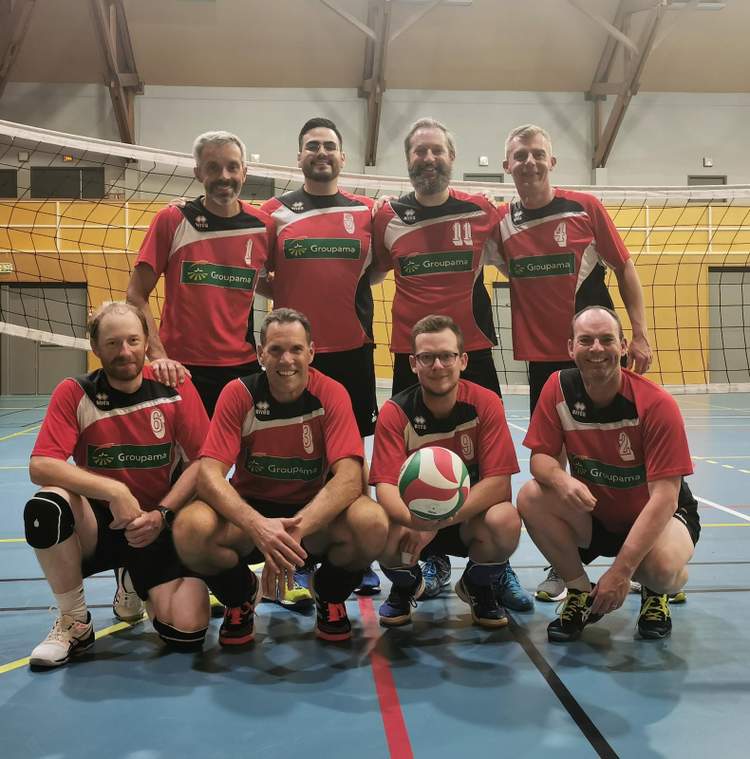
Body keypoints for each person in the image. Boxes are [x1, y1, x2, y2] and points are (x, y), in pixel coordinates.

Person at [499, 123, 692, 602]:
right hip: (544, 357)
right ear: (507, 166)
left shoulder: (584, 207)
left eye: (537, 154)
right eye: (520, 155)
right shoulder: (502, 223)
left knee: (628, 441)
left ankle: (654, 555)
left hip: (595, 351)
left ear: (552, 162)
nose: (529, 162)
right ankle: (565, 564)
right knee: (555, 466)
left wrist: (639, 333)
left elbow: (624, 266)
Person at [372, 118, 532, 610]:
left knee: (487, 461)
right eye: (419, 151)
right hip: (414, 356)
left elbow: (521, 256)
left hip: (472, 351)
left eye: (436, 150)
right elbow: (367, 270)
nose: (429, 159)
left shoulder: (481, 210)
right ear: (408, 160)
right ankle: (431, 559)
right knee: (415, 458)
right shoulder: (386, 216)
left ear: (451, 158)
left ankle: (494, 568)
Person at [172, 308, 388, 644]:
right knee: (190, 528)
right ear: (261, 354)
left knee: (372, 523)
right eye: (275, 350)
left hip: (313, 516)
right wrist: (259, 527)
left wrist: (294, 531)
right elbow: (209, 475)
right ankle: (240, 596)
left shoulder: (331, 393)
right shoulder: (239, 394)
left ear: (311, 352)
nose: (286, 360)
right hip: (251, 511)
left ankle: (329, 594)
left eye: (296, 349)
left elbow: (349, 478)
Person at [24, 302, 211, 668]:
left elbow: (203, 461)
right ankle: (75, 621)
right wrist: (115, 491)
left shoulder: (174, 385)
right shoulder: (76, 392)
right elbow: (40, 464)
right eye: (113, 343)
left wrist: (162, 514)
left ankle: (132, 578)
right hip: (100, 523)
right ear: (95, 347)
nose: (124, 351)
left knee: (187, 633)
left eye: (133, 341)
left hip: (155, 523)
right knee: (47, 506)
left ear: (146, 342)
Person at [517, 306, 699, 642]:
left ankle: (656, 592)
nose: (597, 349)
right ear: (570, 347)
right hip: (597, 513)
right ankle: (578, 591)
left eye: (606, 339)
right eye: (586, 340)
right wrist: (561, 479)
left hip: (657, 516)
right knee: (531, 496)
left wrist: (621, 571)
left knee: (659, 571)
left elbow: (665, 499)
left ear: (624, 346)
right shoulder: (558, 388)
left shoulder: (656, 404)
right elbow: (540, 459)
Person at [260, 117, 381, 598]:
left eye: (330, 145)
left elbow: (379, 267)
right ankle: (302, 554)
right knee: (301, 453)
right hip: (294, 357)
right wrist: (285, 293)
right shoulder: (273, 212)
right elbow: (255, 271)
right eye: (312, 146)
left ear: (343, 157)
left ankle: (358, 555)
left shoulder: (368, 211)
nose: (321, 152)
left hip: (352, 349)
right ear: (299, 157)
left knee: (353, 456)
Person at [370, 315, 522, 629]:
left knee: (505, 520)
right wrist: (417, 521)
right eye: (427, 357)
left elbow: (498, 484)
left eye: (446, 356)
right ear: (413, 363)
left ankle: (477, 585)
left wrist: (437, 521)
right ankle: (407, 584)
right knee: (378, 526)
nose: (438, 365)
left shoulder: (486, 404)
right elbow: (385, 488)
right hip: (415, 521)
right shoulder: (395, 412)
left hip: (467, 518)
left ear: (462, 360)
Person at [127, 130, 275, 417]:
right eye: (213, 167)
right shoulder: (173, 219)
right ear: (198, 173)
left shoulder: (264, 226)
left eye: (232, 167)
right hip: (180, 368)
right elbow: (136, 294)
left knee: (243, 446)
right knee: (185, 449)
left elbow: (269, 283)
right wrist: (158, 355)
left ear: (244, 172)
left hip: (241, 367)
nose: (224, 176)